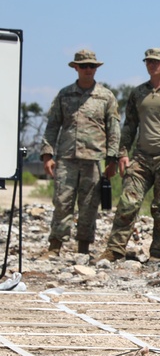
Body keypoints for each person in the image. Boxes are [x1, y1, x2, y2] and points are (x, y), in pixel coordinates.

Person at [98, 49, 160, 263]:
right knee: (127, 202)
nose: (152, 65)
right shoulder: (138, 93)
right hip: (140, 157)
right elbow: (130, 125)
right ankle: (115, 249)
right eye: (148, 62)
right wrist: (122, 153)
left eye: (156, 62)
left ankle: (157, 254)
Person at [39, 50, 120, 258]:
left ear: (96, 68)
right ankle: (55, 246)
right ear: (75, 67)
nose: (88, 70)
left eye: (91, 66)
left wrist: (112, 159)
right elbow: (52, 125)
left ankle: (83, 247)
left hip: (93, 160)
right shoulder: (64, 95)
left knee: (89, 206)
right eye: (83, 66)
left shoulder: (105, 96)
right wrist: (47, 154)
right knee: (62, 201)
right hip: (66, 158)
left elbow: (114, 129)